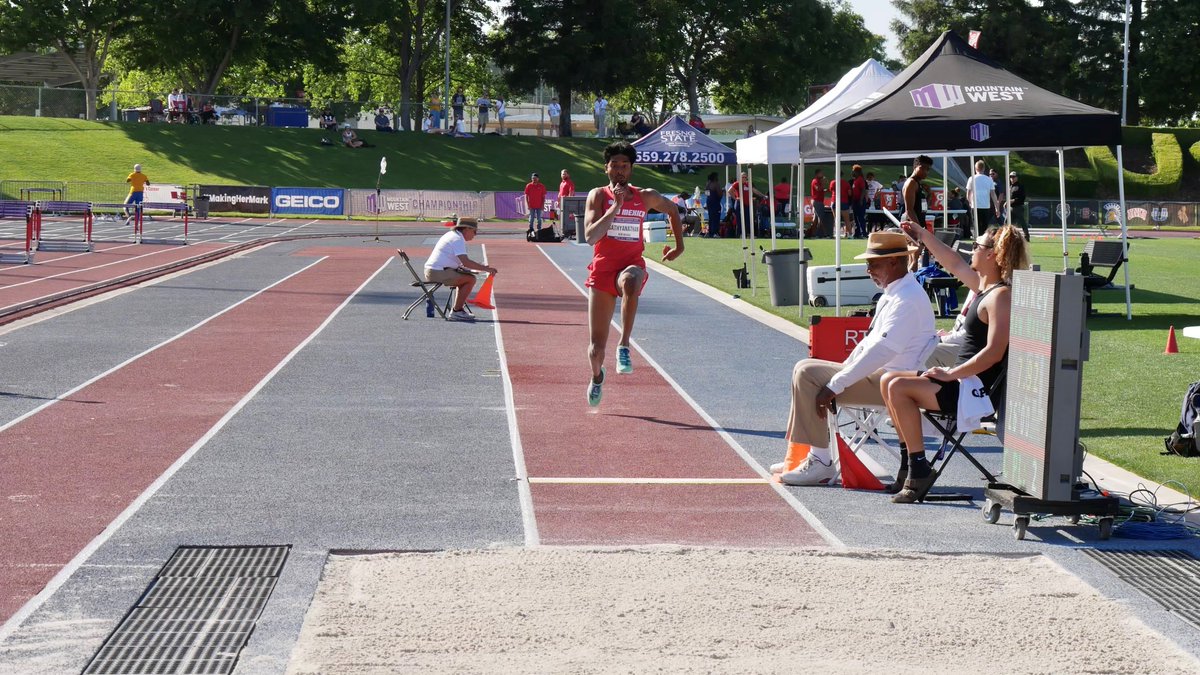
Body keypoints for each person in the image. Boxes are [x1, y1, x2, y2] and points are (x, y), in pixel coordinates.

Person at [774, 230, 937, 485]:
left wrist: (836, 383)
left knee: (808, 374)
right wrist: (842, 373)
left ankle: (821, 461)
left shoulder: (906, 298)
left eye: (873, 263)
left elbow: (882, 350)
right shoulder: (896, 292)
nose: (868, 269)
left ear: (894, 262)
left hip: (893, 383)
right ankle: (809, 453)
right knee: (804, 367)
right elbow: (871, 346)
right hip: (883, 377)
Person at [883, 222, 1030, 502]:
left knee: (899, 387)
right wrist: (923, 235)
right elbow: (952, 262)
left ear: (992, 255)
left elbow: (994, 352)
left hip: (975, 391)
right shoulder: (984, 288)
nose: (971, 250)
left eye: (977, 246)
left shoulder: (1001, 297)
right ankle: (910, 466)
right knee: (888, 379)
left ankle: (918, 468)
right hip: (962, 382)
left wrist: (952, 373)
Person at [583, 141, 683, 406]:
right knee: (595, 351)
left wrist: (679, 246)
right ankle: (596, 377)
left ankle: (624, 346)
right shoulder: (598, 196)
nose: (619, 170)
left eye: (624, 166)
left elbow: (673, 210)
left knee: (631, 281)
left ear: (631, 169)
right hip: (603, 270)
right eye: (614, 165)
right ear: (606, 168)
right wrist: (615, 208)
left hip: (630, 264)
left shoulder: (645, 196)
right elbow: (591, 237)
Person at [423, 218, 498, 322]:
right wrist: (486, 269)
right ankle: (457, 311)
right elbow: (466, 262)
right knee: (470, 279)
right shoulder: (457, 239)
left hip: (436, 270)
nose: (475, 235)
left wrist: (478, 267)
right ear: (467, 229)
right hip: (437, 272)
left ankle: (457, 309)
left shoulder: (453, 235)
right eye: (474, 231)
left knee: (467, 277)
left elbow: (461, 262)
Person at [965, 160, 1000, 236]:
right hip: (985, 206)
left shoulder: (971, 178)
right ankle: (983, 243)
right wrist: (997, 208)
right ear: (984, 169)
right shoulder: (989, 179)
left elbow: (968, 194)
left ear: (975, 169)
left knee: (976, 227)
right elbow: (993, 195)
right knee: (984, 228)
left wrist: (970, 203)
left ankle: (977, 243)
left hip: (975, 206)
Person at [1007, 172, 1028, 240]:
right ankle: (1007, 235)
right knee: (1007, 222)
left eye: (1013, 177)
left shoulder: (1020, 186)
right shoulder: (1010, 186)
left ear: (1017, 177)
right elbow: (1009, 197)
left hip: (1018, 207)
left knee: (1022, 222)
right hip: (1011, 207)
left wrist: (1013, 200)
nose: (1012, 178)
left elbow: (1022, 197)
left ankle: (1026, 236)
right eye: (1011, 177)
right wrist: (1007, 202)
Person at [810, 168, 830, 238]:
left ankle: (813, 233)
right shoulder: (815, 181)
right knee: (820, 218)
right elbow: (818, 188)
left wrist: (826, 190)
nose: (822, 174)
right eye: (821, 173)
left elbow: (820, 190)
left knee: (816, 218)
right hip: (817, 201)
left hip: (818, 201)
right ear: (817, 174)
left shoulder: (818, 181)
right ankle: (823, 234)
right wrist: (823, 183)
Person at [850, 164, 868, 239]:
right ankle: (857, 233)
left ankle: (863, 233)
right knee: (856, 218)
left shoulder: (860, 179)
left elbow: (863, 190)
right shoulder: (855, 180)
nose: (852, 172)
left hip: (859, 201)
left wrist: (861, 200)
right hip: (855, 201)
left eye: (853, 171)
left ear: (857, 172)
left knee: (860, 217)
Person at [704, 172, 723, 238]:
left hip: (709, 202)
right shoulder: (716, 184)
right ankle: (715, 232)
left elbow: (706, 193)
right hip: (715, 202)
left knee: (711, 218)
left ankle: (711, 232)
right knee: (716, 218)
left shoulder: (707, 184)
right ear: (715, 177)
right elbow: (720, 194)